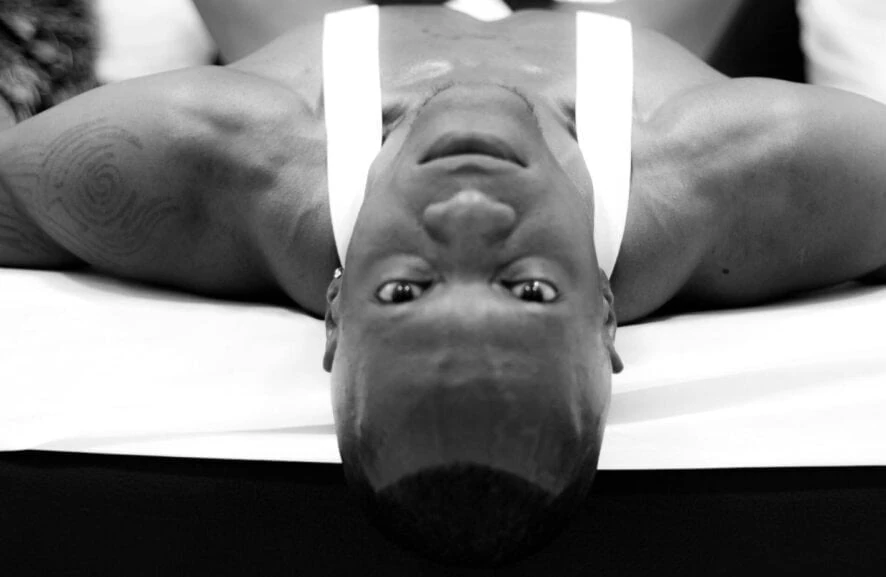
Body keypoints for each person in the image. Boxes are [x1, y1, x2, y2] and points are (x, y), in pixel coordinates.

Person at [2, 3, 885, 565]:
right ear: (606, 313)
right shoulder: (742, 169)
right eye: (529, 290)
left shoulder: (212, 154)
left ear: (336, 306)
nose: (469, 211)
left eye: (405, 290)